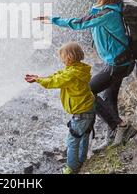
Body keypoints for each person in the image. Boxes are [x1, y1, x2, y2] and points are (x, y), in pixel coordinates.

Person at [36, 0, 137, 152]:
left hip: (118, 64)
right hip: (119, 62)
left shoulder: (108, 13)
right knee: (109, 98)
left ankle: (120, 126)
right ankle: (114, 136)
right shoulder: (107, 9)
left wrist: (52, 19)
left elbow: (79, 24)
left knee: (87, 92)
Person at [25, 42, 95, 174]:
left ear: (69, 57)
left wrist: (38, 80)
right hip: (89, 108)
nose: (61, 60)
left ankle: (72, 168)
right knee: (84, 136)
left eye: (62, 57)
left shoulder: (71, 74)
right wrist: (39, 77)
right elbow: (58, 75)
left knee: (72, 141)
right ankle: (82, 160)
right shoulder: (79, 69)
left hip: (81, 113)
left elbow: (54, 82)